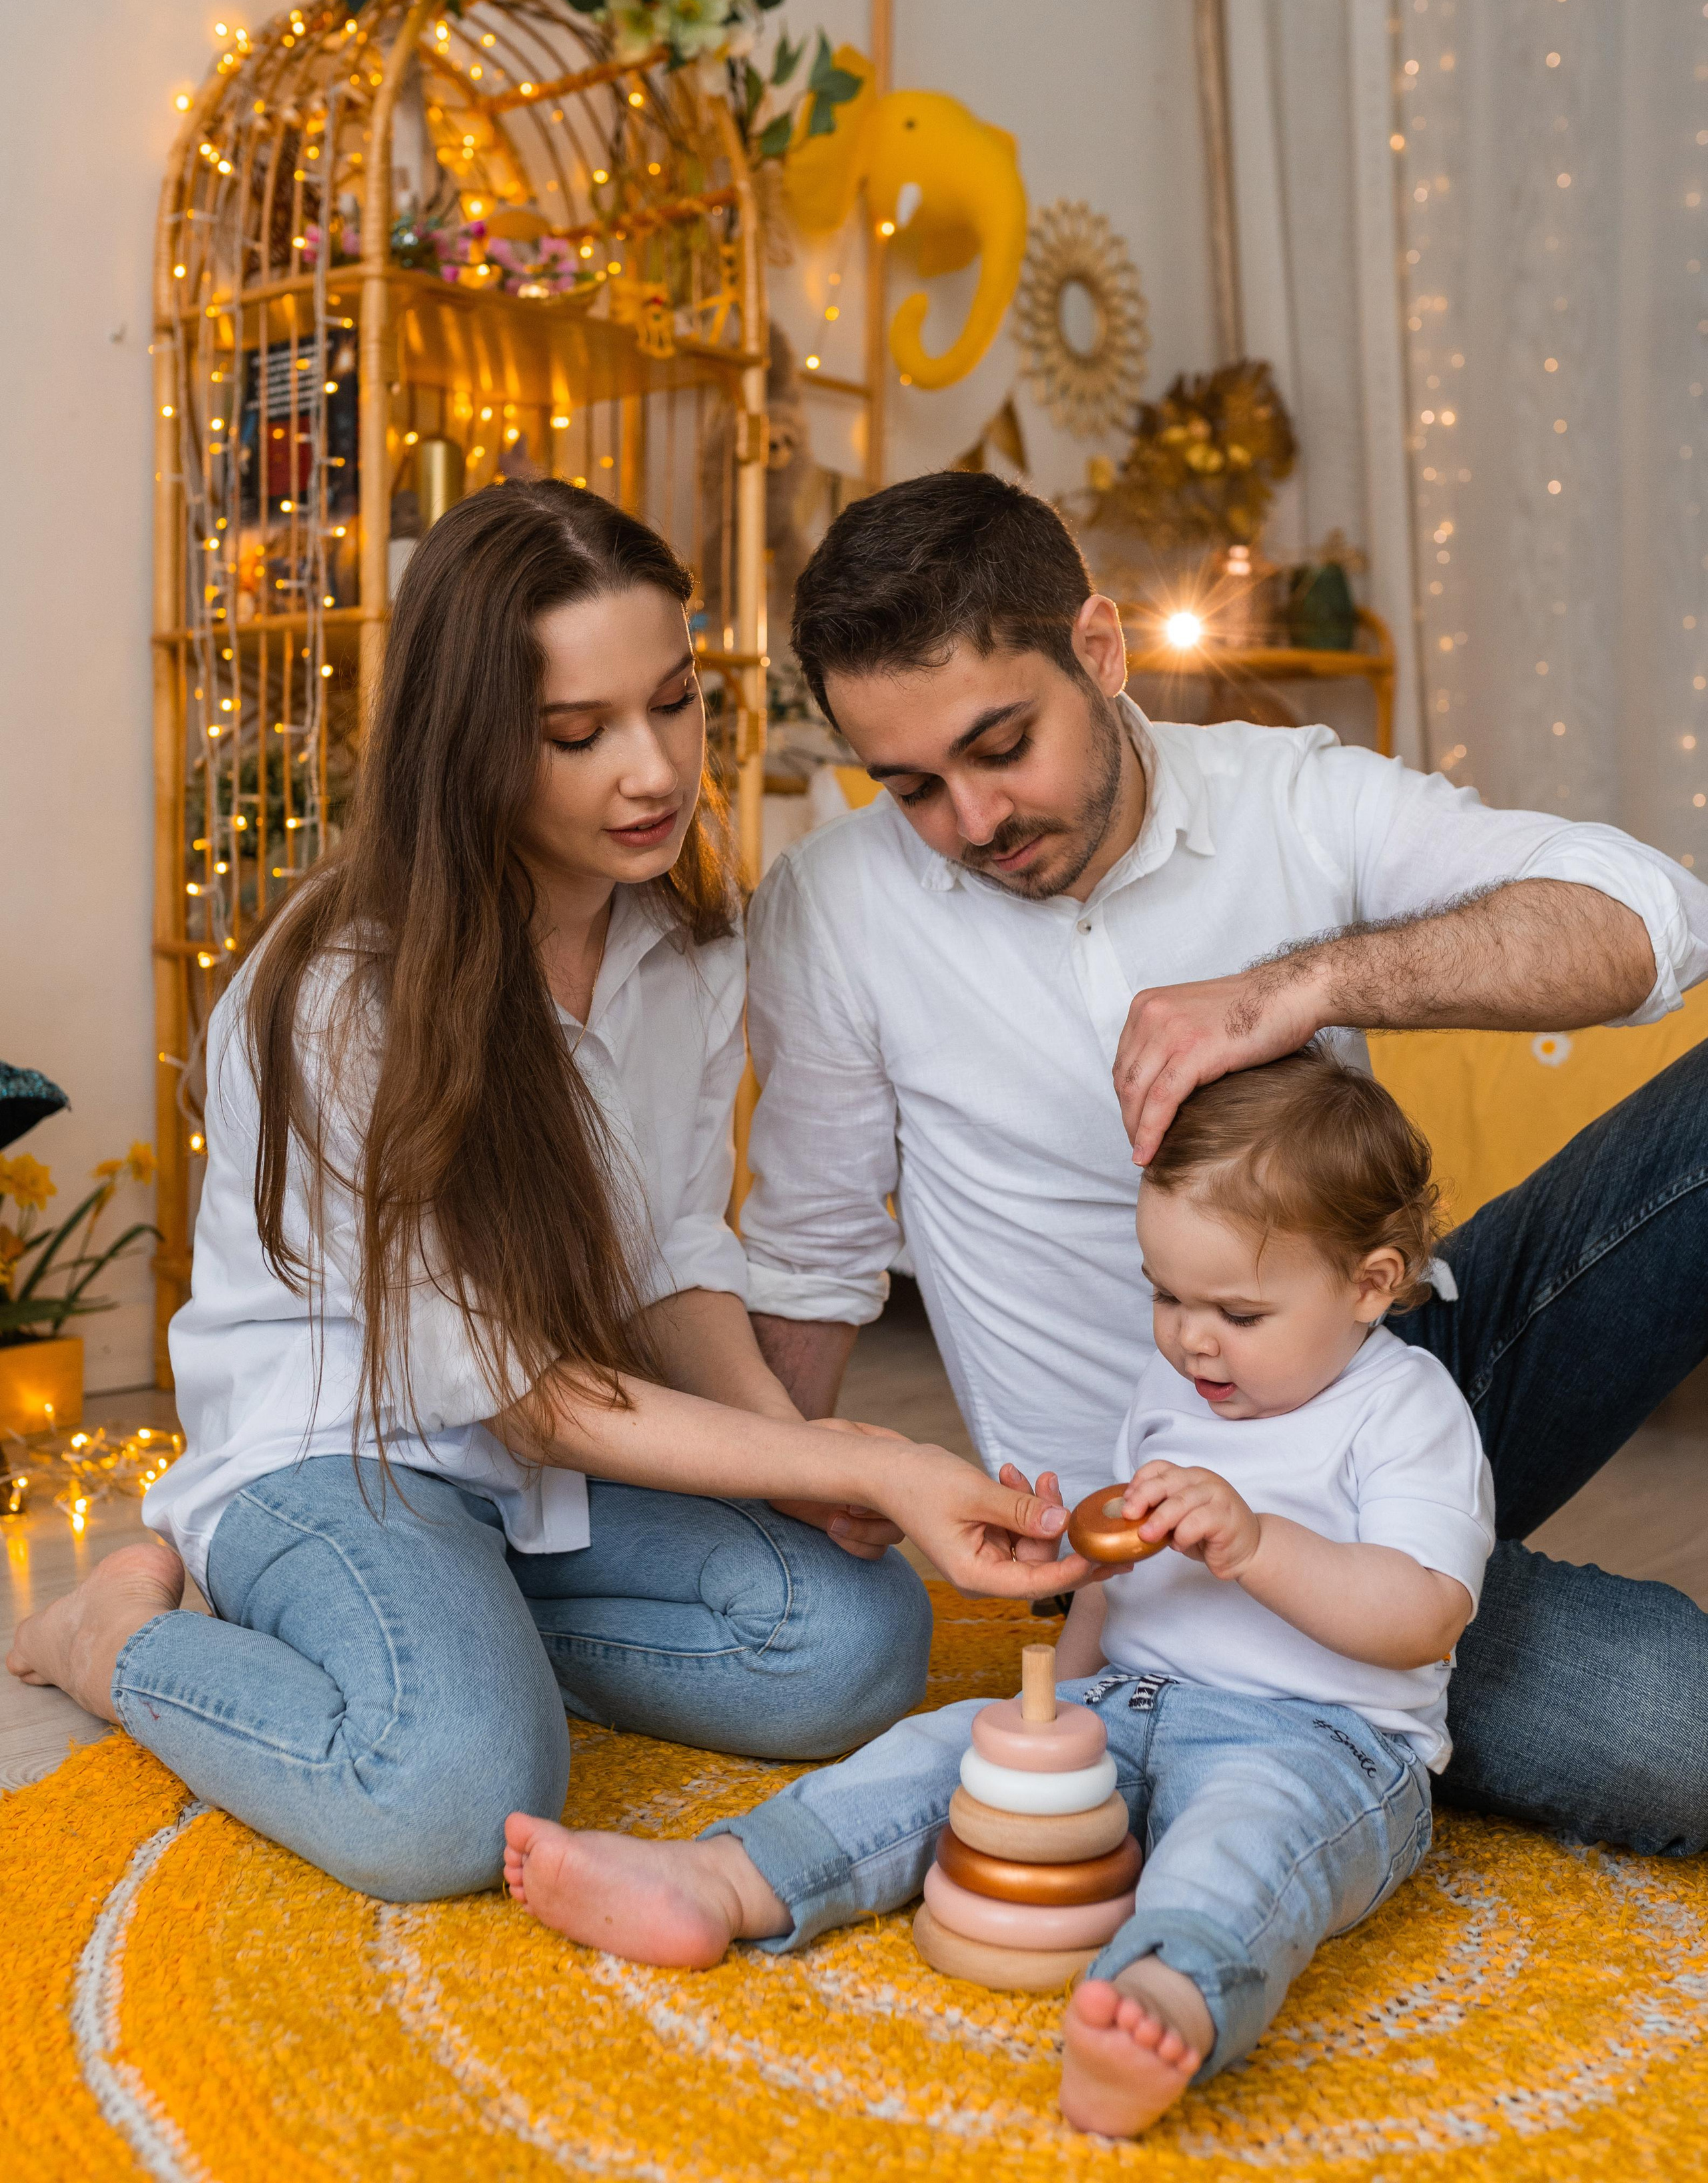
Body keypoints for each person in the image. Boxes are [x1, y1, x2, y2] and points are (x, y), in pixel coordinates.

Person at [5, 481, 1082, 1902]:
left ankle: (451, 1633)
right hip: (341, 1455)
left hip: (526, 1481)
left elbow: (671, 1256)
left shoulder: (685, 943)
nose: (652, 773)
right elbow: (518, 1390)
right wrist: (863, 1459)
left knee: (855, 1639)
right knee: (448, 1802)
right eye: (577, 736)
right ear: (472, 747)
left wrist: (793, 1464)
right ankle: (111, 1639)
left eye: (675, 703)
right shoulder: (342, 995)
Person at [739, 470, 1708, 1856]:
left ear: (1098, 649)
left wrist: (1297, 986)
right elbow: (814, 1252)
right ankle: (1324, 1675)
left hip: (1401, 1366)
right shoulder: (833, 908)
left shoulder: (1287, 798)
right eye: (910, 787)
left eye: (999, 745)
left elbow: (1650, 919)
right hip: (1160, 1552)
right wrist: (792, 1518)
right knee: (1677, 1740)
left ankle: (1374, 1637)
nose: (970, 821)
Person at [500, 1053, 1494, 2138]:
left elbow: (1422, 1616)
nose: (1190, 1337)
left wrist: (1257, 1546)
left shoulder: (1406, 1412)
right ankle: (728, 1880)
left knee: (1243, 1847)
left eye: (1238, 1313)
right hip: (1130, 1699)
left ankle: (1165, 1995)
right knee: (941, 1758)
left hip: (1322, 1744)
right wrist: (1055, 1699)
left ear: (1369, 1282)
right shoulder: (1178, 1387)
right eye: (1166, 1295)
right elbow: (1122, 1588)